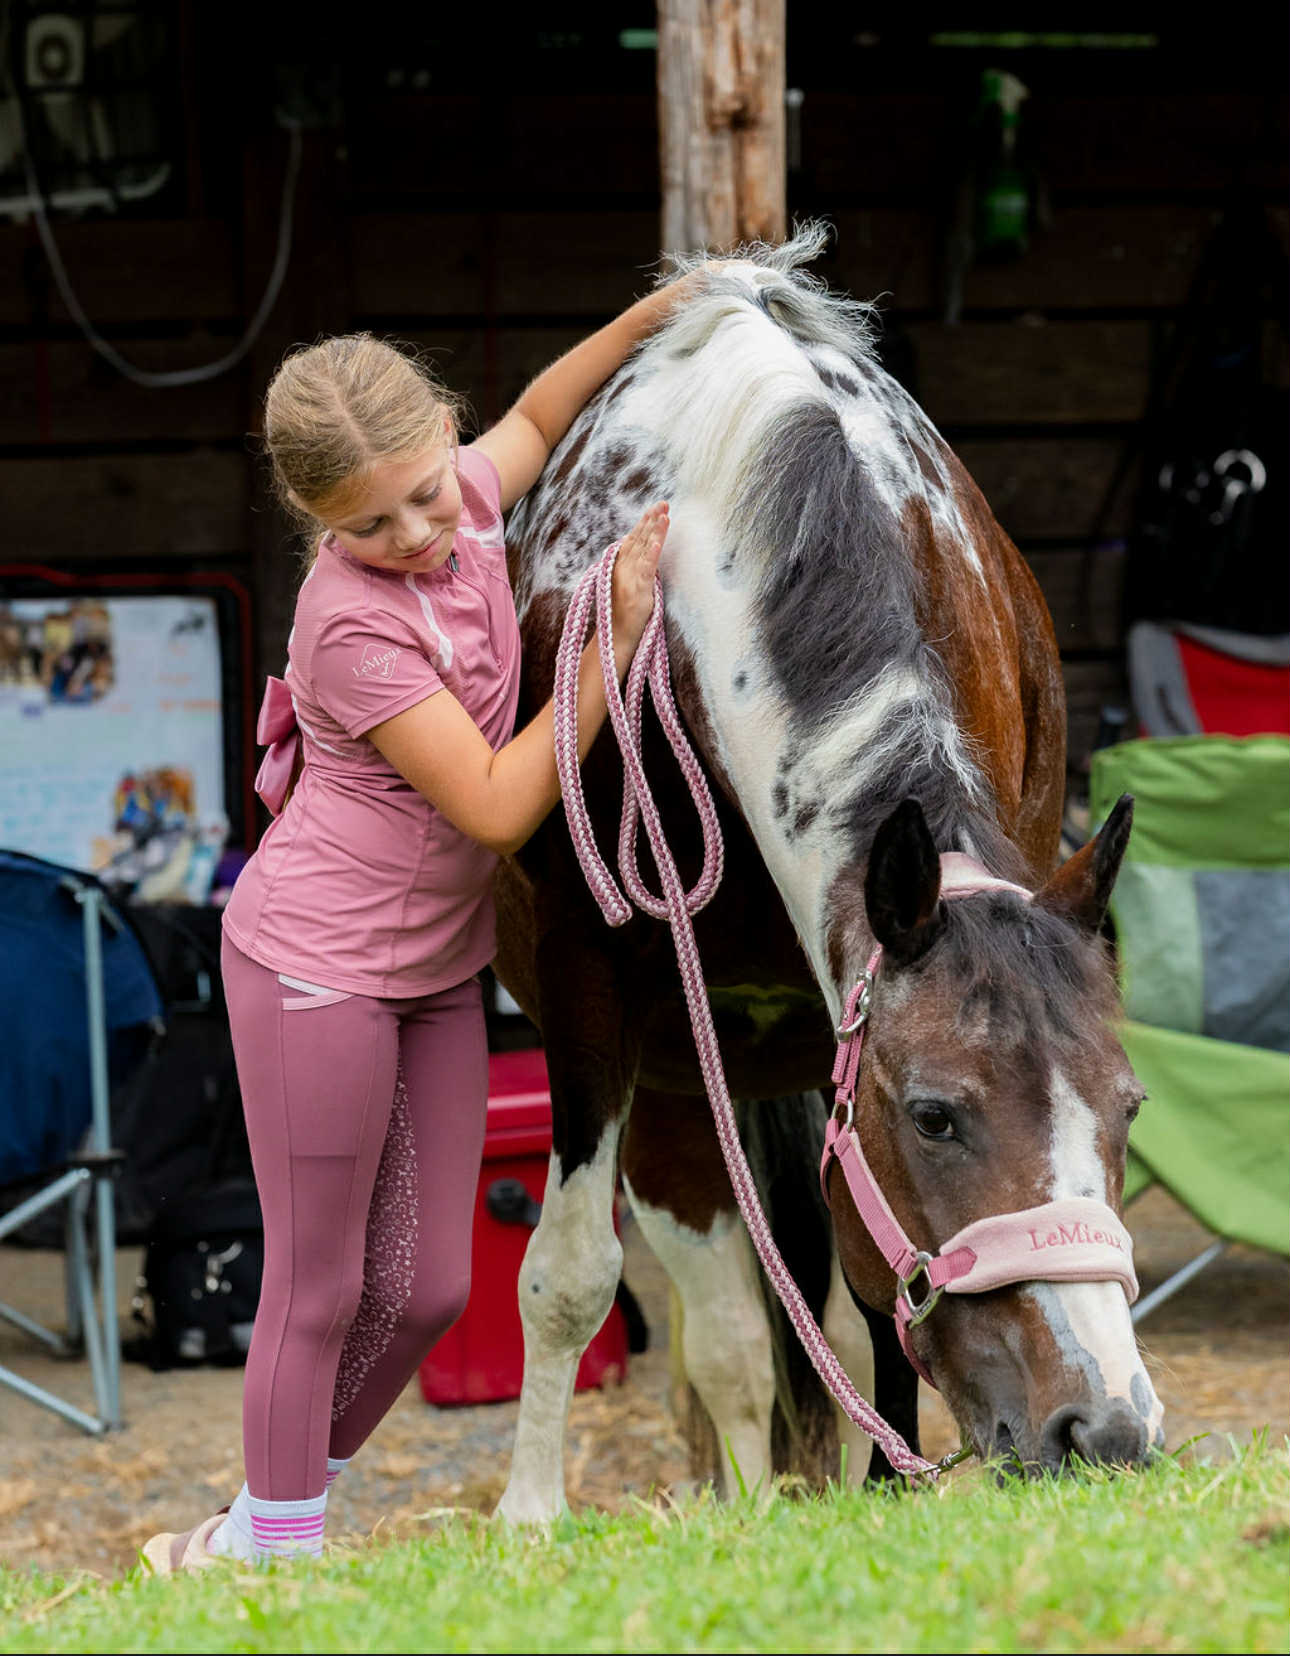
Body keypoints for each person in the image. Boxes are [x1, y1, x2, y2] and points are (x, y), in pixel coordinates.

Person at [141, 275, 699, 1572]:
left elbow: (540, 415)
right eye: (368, 523)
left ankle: (250, 1528)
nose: (413, 535)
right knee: (322, 1287)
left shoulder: (472, 498)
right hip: (315, 968)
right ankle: (281, 1563)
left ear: (445, 434)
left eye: (424, 495)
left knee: (433, 1288)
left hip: (439, 969)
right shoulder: (350, 626)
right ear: (317, 522)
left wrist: (649, 318)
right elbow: (497, 804)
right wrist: (611, 646)